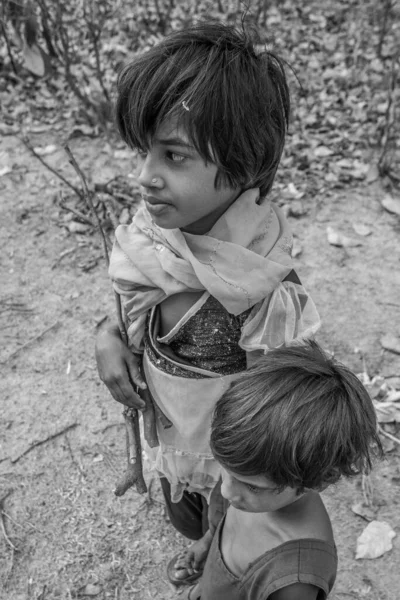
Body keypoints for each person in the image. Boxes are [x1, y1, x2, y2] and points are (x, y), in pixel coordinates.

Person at [95, 21, 320, 585]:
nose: (145, 177)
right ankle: (200, 536)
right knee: (182, 507)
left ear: (242, 166)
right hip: (169, 430)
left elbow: (274, 407)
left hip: (223, 451)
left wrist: (240, 483)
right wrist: (107, 335)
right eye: (144, 152)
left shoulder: (263, 284)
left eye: (174, 156)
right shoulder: (152, 237)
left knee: (223, 508)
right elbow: (127, 305)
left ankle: (213, 549)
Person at [182, 341, 383, 600]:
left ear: (320, 480)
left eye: (253, 486)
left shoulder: (294, 576)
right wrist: (207, 542)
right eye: (225, 469)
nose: (226, 490)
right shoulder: (244, 481)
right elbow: (224, 522)